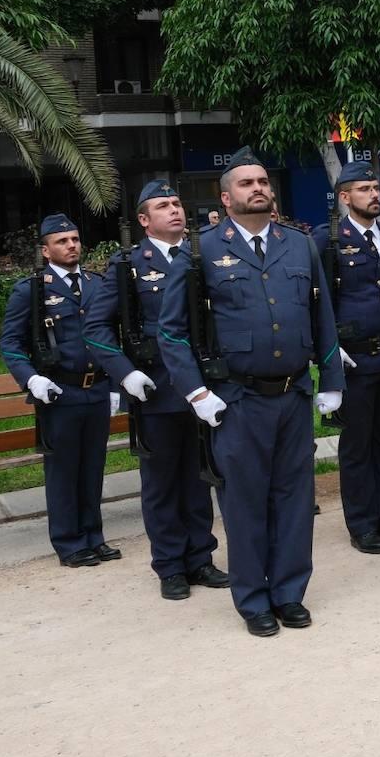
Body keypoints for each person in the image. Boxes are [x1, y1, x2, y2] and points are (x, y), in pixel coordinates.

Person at [158, 147, 345, 637]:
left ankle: (289, 592)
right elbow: (172, 332)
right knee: (244, 503)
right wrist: (197, 393)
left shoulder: (299, 245)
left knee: (294, 499)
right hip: (237, 401)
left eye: (263, 181)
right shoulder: (199, 252)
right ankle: (253, 599)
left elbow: (321, 317)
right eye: (246, 183)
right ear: (225, 197)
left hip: (292, 396)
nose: (258, 188)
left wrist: (333, 382)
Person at [84, 181, 227, 600]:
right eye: (163, 206)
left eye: (177, 203)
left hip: (203, 385)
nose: (174, 211)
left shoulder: (204, 256)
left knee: (200, 476)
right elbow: (95, 328)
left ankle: (201, 558)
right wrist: (124, 373)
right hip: (158, 388)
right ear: (144, 220)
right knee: (163, 482)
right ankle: (170, 566)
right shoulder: (128, 265)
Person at [311, 161, 380, 556]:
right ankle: (361, 522)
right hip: (354, 360)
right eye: (363, 189)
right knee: (356, 446)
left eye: (376, 187)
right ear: (344, 197)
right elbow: (317, 301)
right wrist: (329, 350)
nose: (373, 195)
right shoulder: (329, 239)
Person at [0, 214, 119, 568]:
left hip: (96, 388)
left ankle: (94, 537)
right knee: (64, 470)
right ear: (46, 249)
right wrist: (31, 378)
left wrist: (114, 384)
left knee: (93, 467)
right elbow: (10, 342)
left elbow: (111, 336)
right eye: (63, 241)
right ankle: (69, 543)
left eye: (75, 239)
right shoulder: (32, 289)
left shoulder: (97, 285)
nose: (72, 245)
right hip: (61, 392)